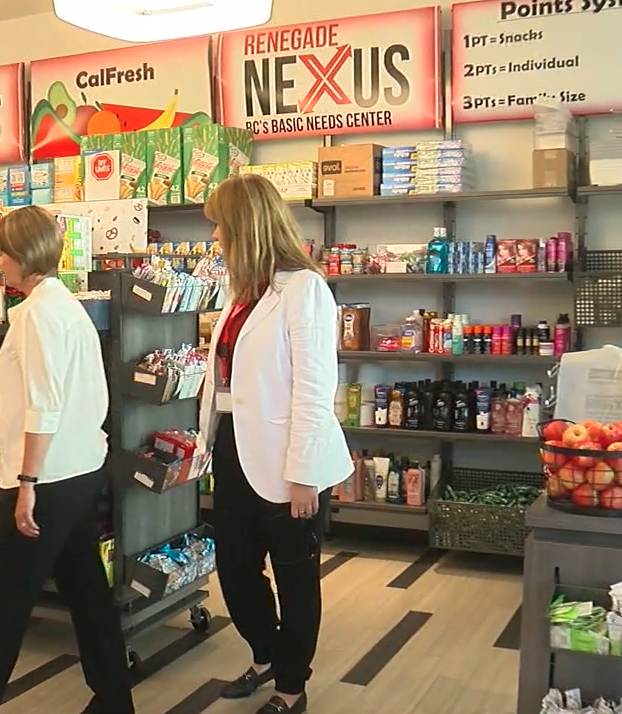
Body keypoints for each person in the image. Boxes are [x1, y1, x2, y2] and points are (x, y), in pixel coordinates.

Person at [0, 207, 134, 714]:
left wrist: (28, 482)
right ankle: (114, 699)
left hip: (48, 476)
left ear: (24, 255)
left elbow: (44, 404)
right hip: (82, 468)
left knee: (8, 599)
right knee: (87, 593)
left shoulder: (38, 314)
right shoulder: (67, 307)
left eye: (1, 252)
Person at [198, 174, 352, 714]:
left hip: (289, 460)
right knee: (235, 568)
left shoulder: (303, 289)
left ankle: (291, 685)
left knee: (294, 574)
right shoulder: (242, 291)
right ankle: (265, 654)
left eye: (220, 225)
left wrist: (304, 472)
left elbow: (314, 386)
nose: (215, 235)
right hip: (236, 450)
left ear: (246, 227)